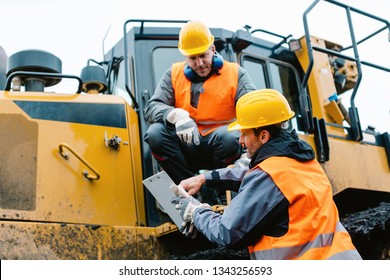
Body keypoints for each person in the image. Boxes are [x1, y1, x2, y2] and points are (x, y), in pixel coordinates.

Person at [171, 89, 362, 260]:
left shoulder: (270, 175)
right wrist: (205, 178)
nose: (241, 141)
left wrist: (196, 212)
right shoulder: (302, 161)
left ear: (263, 136)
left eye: (245, 134)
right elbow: (253, 175)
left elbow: (227, 232)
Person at [144, 20, 256, 185]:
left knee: (229, 137)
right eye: (193, 58)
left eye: (203, 55)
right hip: (185, 147)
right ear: (185, 57)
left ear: (212, 49)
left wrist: (250, 153)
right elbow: (152, 108)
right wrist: (174, 115)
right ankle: (189, 188)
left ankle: (219, 186)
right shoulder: (173, 74)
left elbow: (253, 111)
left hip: (222, 148)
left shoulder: (236, 74)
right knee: (155, 134)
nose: (199, 63)